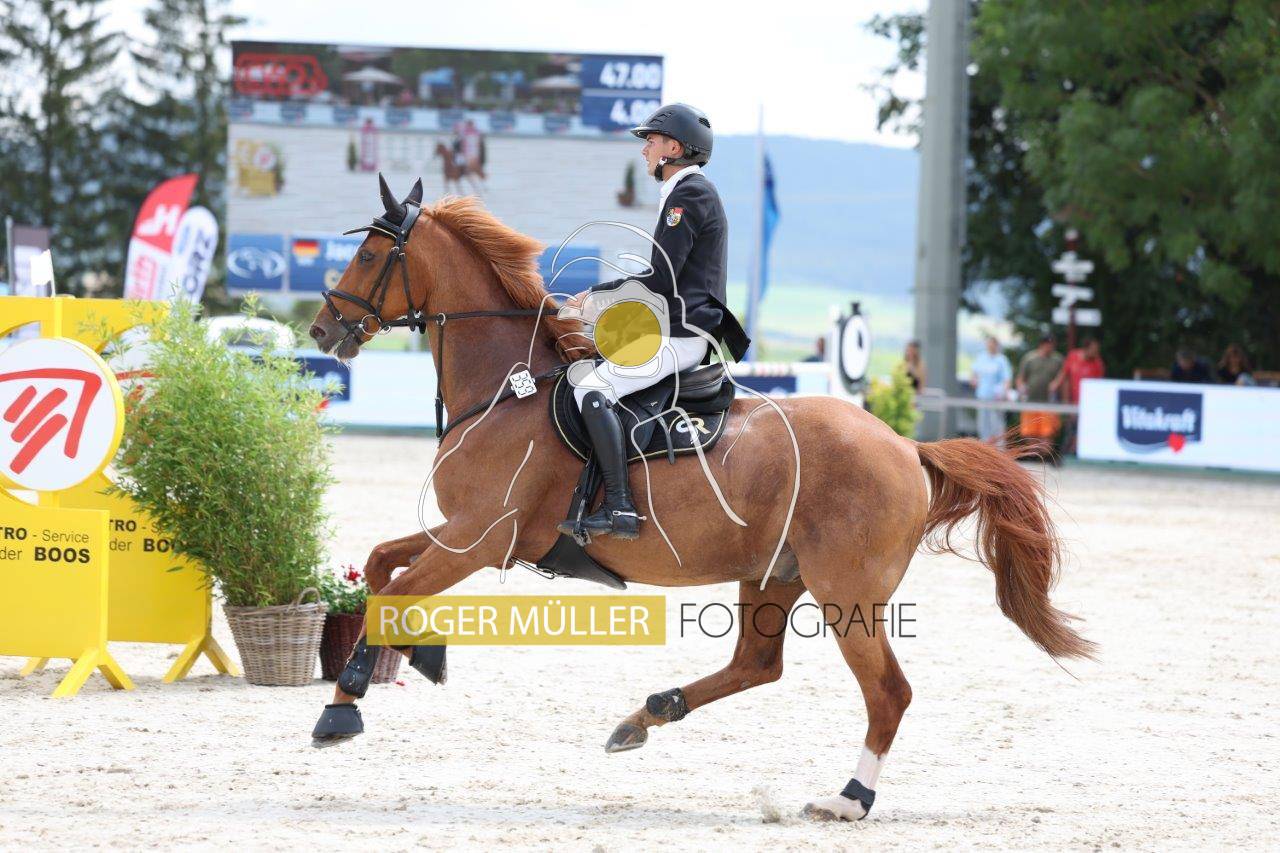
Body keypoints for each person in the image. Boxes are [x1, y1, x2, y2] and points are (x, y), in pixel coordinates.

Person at [560, 104, 749, 541]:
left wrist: (596, 296)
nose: (644, 149)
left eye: (651, 141)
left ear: (673, 149)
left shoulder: (689, 196)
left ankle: (620, 506)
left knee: (591, 388)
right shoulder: (685, 193)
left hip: (682, 335)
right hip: (675, 328)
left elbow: (661, 279)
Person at [1050, 336, 1106, 454]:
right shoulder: (1073, 356)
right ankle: (1064, 455)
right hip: (1072, 401)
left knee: (1082, 432)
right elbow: (1064, 374)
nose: (1096, 352)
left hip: (1088, 405)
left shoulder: (1098, 363)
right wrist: (1055, 385)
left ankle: (1075, 454)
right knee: (1069, 430)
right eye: (1094, 349)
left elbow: (1099, 386)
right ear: (1086, 348)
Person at [1016, 334, 1064, 461]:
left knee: (1047, 432)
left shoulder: (1057, 359)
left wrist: (1056, 384)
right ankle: (1033, 456)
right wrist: (1021, 389)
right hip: (1031, 401)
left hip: (1049, 402)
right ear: (1042, 345)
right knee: (1030, 431)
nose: (1050, 347)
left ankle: (1045, 456)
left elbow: (1063, 375)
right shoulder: (1029, 358)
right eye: (1048, 344)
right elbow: (1021, 378)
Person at [970, 335, 1012, 445]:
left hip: (996, 398)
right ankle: (984, 447)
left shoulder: (1001, 360)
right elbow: (974, 374)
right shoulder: (981, 358)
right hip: (983, 396)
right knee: (983, 425)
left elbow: (1007, 379)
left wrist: (1005, 393)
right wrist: (974, 380)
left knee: (997, 426)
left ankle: (999, 448)